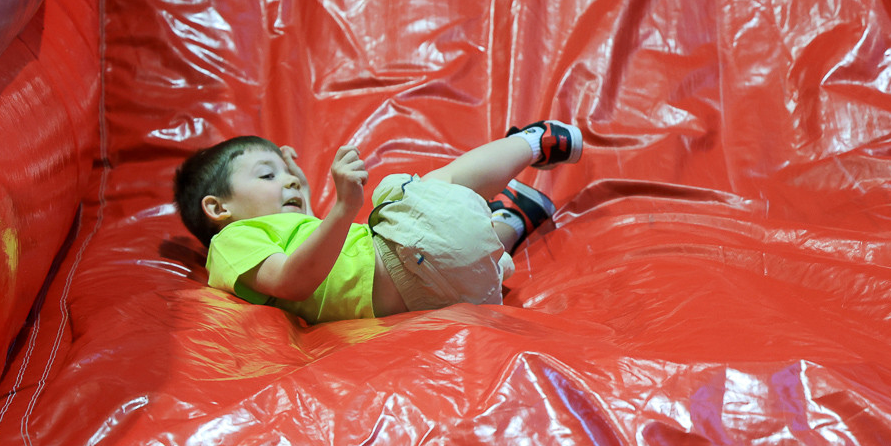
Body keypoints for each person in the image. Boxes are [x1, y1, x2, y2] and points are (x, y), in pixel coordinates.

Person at [173, 120, 583, 323]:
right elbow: (291, 280)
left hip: (441, 300)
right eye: (267, 175)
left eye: (290, 176)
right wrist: (343, 208)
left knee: (466, 245)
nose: (290, 181)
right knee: (427, 187)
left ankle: (513, 218)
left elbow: (313, 243)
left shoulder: (297, 232)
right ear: (218, 208)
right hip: (407, 260)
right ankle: (533, 142)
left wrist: (301, 186)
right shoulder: (232, 240)